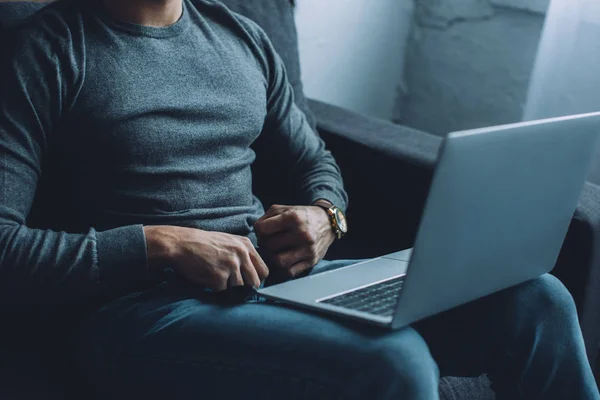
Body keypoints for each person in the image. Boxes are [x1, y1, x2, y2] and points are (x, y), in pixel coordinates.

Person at [0, 0, 598, 398]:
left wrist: (325, 216)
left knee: (533, 295)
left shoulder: (241, 37)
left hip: (275, 285)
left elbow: (314, 161)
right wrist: (160, 244)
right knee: (393, 361)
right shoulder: (48, 50)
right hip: (141, 313)